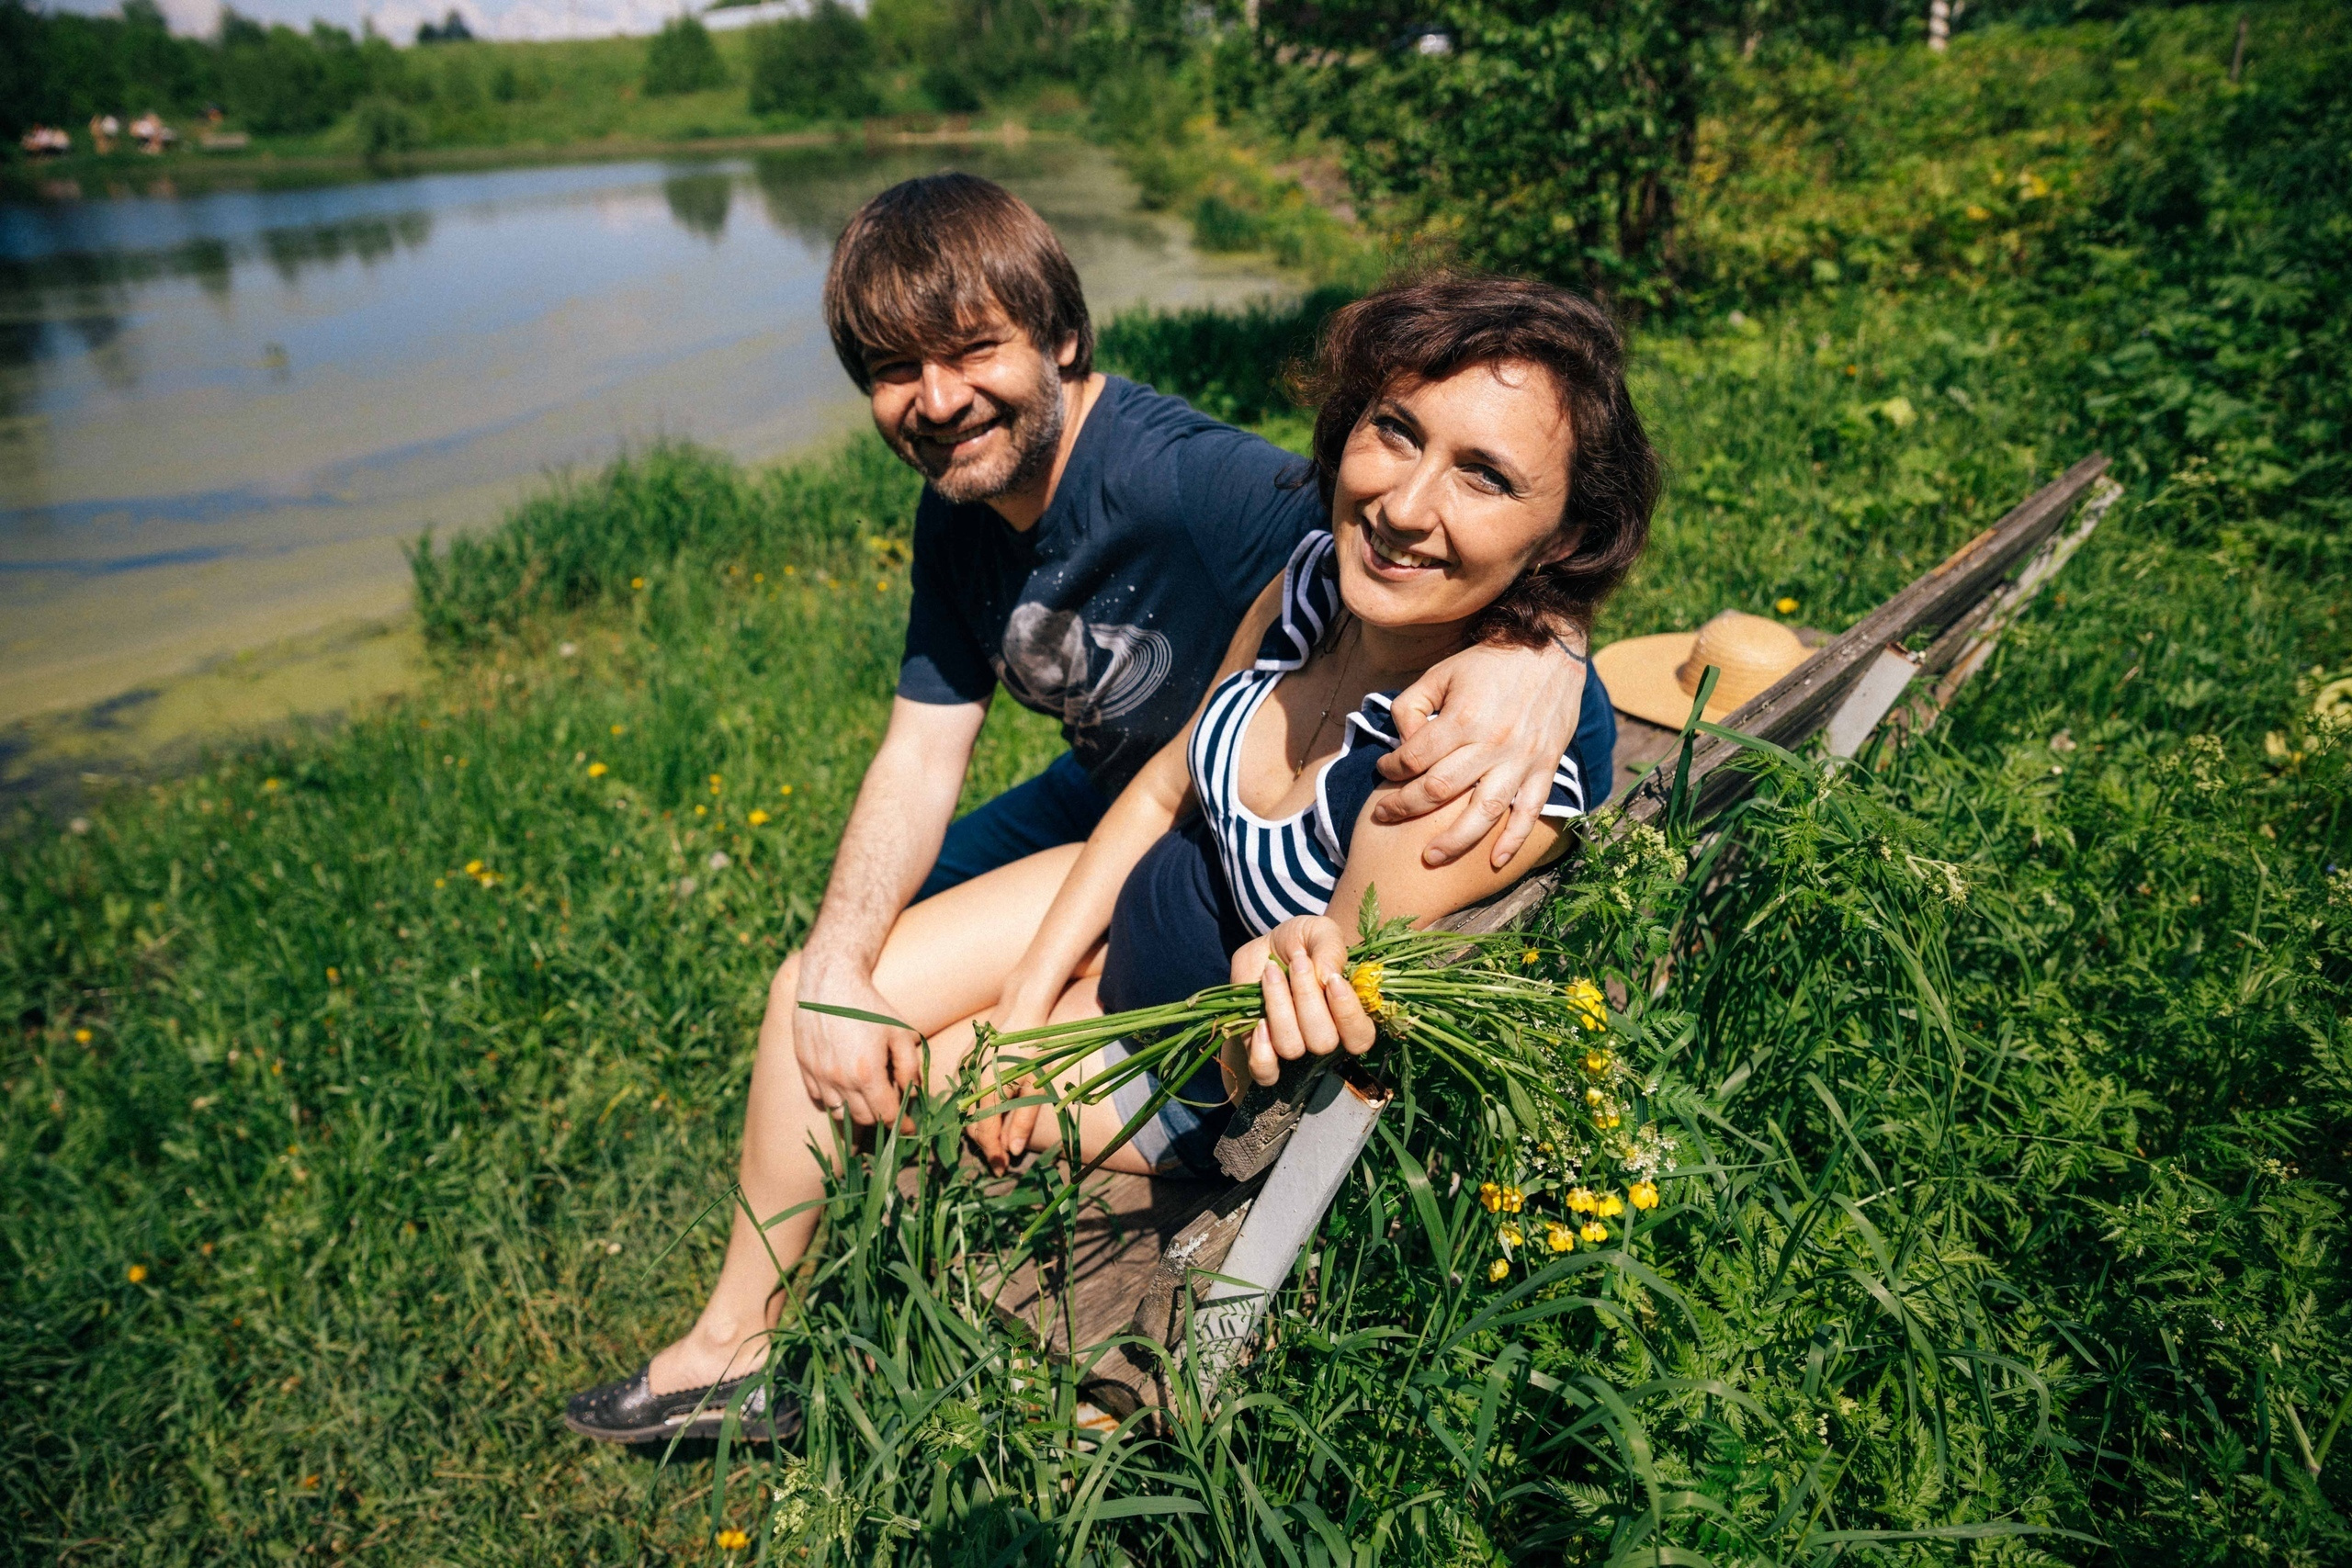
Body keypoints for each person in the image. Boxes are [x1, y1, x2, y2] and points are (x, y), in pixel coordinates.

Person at [564, 179, 1608, 1445]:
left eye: (970, 350)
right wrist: (963, 995)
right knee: (819, 996)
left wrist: (1545, 642)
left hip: (1185, 957)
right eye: (895, 368)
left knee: (904, 1091)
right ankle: (737, 1348)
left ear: (1062, 336)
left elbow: (1424, 537)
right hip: (1142, 830)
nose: (936, 399)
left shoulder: (1198, 492)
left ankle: (833, 1344)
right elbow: (945, 751)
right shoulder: (1020, 523)